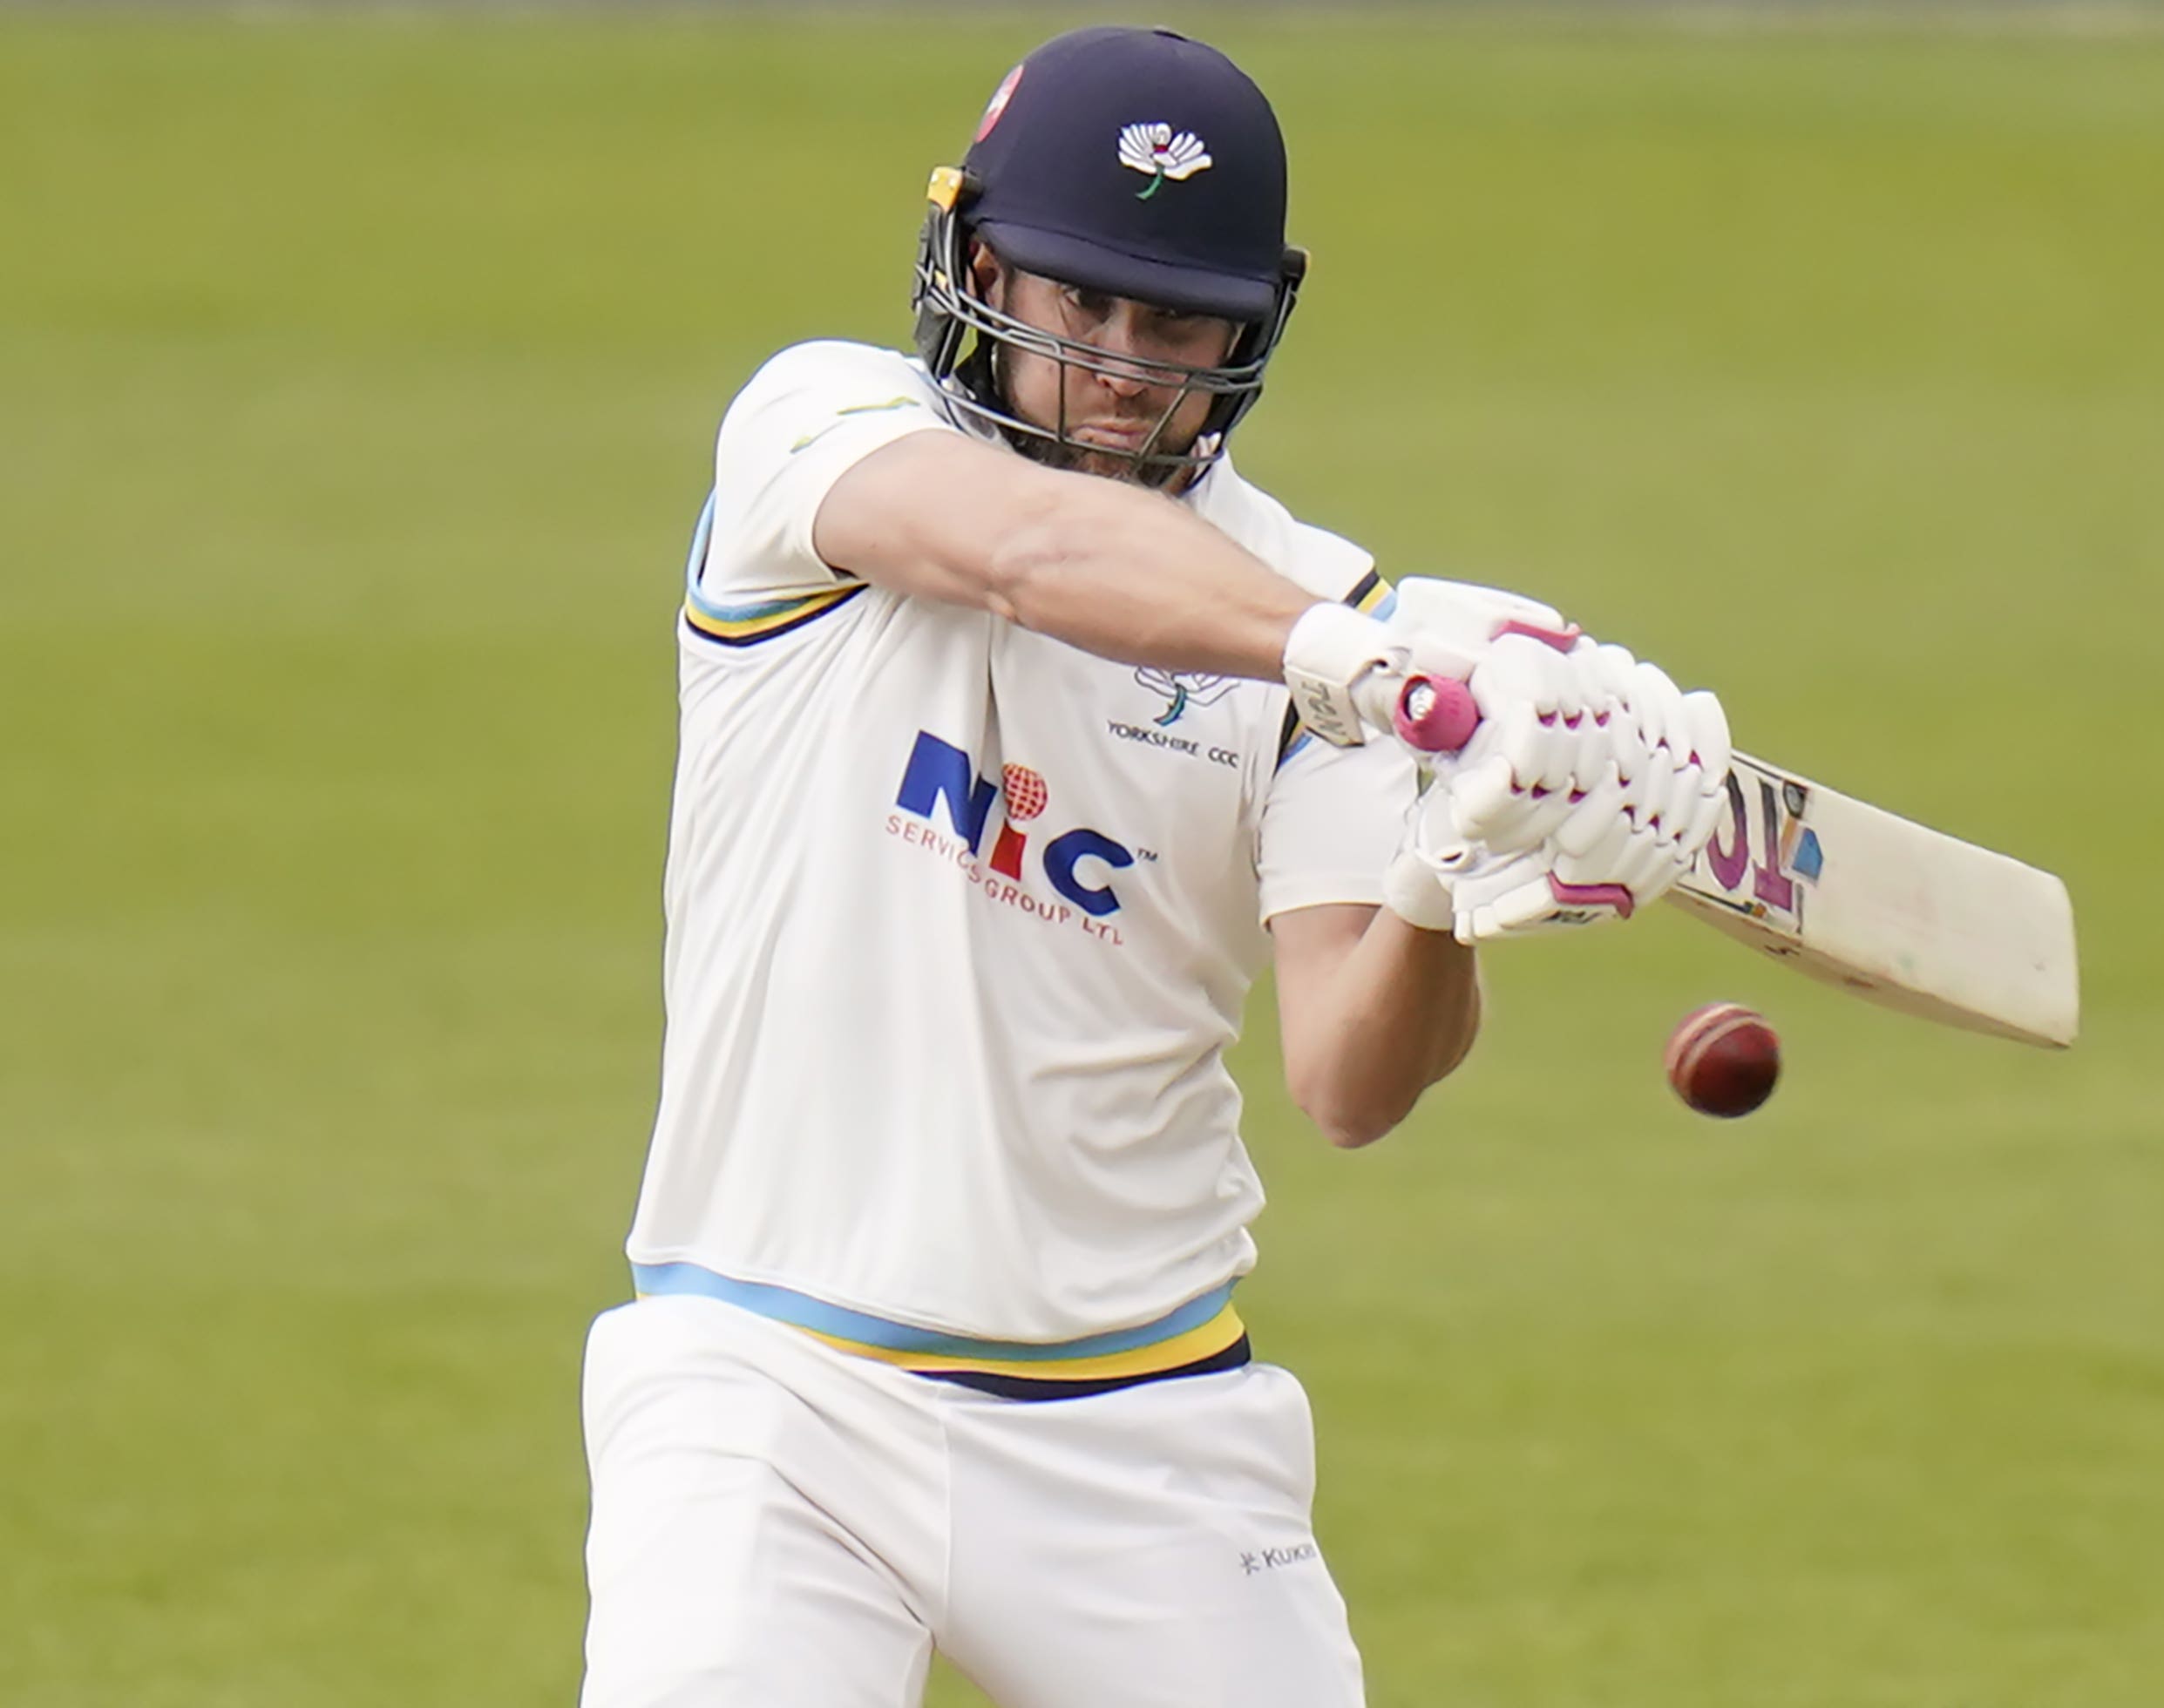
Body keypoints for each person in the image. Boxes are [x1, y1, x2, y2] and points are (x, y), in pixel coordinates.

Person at [578, 25, 1731, 1708]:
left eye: (1174, 320)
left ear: (1252, 328)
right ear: (978, 265)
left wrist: (1447, 870)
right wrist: (1381, 670)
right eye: (1074, 302)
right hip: (765, 1382)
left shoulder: (1324, 603)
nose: (1119, 361)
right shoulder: (819, 429)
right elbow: (1040, 556)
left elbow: (1349, 1079)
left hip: (1139, 1418)